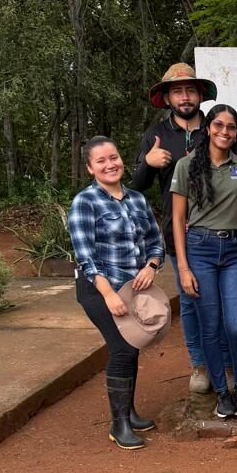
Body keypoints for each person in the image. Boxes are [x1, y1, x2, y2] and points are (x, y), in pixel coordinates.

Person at [132, 62, 234, 394]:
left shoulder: (217, 128)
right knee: (190, 301)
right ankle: (200, 364)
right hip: (178, 234)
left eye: (190, 90)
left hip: (220, 232)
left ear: (200, 94)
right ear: (167, 98)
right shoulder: (157, 134)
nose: (185, 97)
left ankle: (226, 364)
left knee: (223, 301)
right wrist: (148, 163)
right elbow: (136, 186)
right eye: (178, 91)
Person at [68, 136, 166, 449]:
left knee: (132, 345)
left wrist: (151, 265)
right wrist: (108, 294)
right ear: (90, 168)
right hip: (99, 289)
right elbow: (85, 257)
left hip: (133, 287)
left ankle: (130, 412)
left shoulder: (137, 199)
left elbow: (155, 242)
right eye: (101, 161)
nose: (110, 165)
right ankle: (118, 424)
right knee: (122, 347)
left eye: (114, 157)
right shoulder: (85, 202)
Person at [171, 104, 237, 420]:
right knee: (211, 325)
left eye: (231, 127)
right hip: (199, 250)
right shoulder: (186, 165)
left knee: (236, 325)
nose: (224, 131)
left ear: (236, 132)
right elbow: (178, 219)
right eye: (219, 125)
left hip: (235, 250)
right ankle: (222, 393)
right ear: (207, 128)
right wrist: (183, 267)